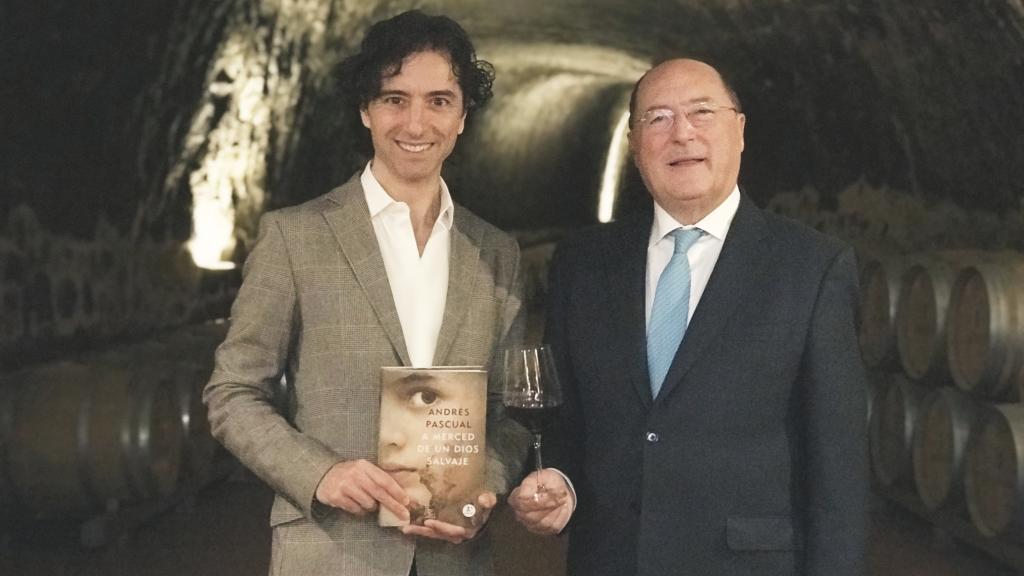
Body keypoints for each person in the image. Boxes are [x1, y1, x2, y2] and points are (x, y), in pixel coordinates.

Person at [508, 58, 868, 576]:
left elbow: (839, 474)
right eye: (657, 118)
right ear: (634, 145)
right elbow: (566, 421)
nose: (682, 134)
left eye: (702, 112)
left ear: (739, 130)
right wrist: (557, 482)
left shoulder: (812, 269)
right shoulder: (583, 264)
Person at [204, 10, 529, 576]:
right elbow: (232, 393)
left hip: (454, 560)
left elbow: (509, 414)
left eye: (439, 100)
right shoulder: (295, 236)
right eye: (394, 99)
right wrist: (320, 473)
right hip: (331, 553)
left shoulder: (496, 251)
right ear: (365, 110)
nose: (415, 122)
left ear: (462, 116)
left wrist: (483, 491)